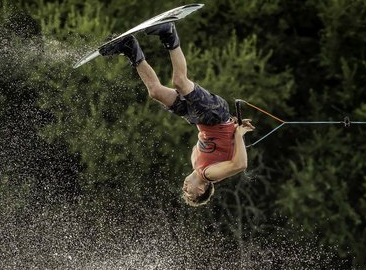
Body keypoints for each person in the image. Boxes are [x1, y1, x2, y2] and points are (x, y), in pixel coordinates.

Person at [99, 23, 255, 206]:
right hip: (214, 115)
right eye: (190, 195)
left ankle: (130, 48)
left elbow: (222, 147)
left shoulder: (196, 162)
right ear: (201, 190)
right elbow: (240, 165)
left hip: (199, 119)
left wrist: (233, 128)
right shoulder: (209, 174)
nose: (184, 190)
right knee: (180, 82)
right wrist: (238, 133)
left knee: (155, 92)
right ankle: (169, 33)